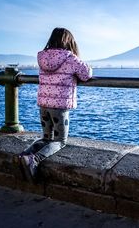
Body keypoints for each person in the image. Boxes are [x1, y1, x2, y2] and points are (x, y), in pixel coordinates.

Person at [19, 27, 92, 182]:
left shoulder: (42, 57)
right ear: (69, 41)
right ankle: (34, 160)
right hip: (59, 107)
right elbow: (85, 74)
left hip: (44, 105)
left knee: (46, 138)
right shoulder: (70, 57)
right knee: (60, 141)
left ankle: (24, 156)